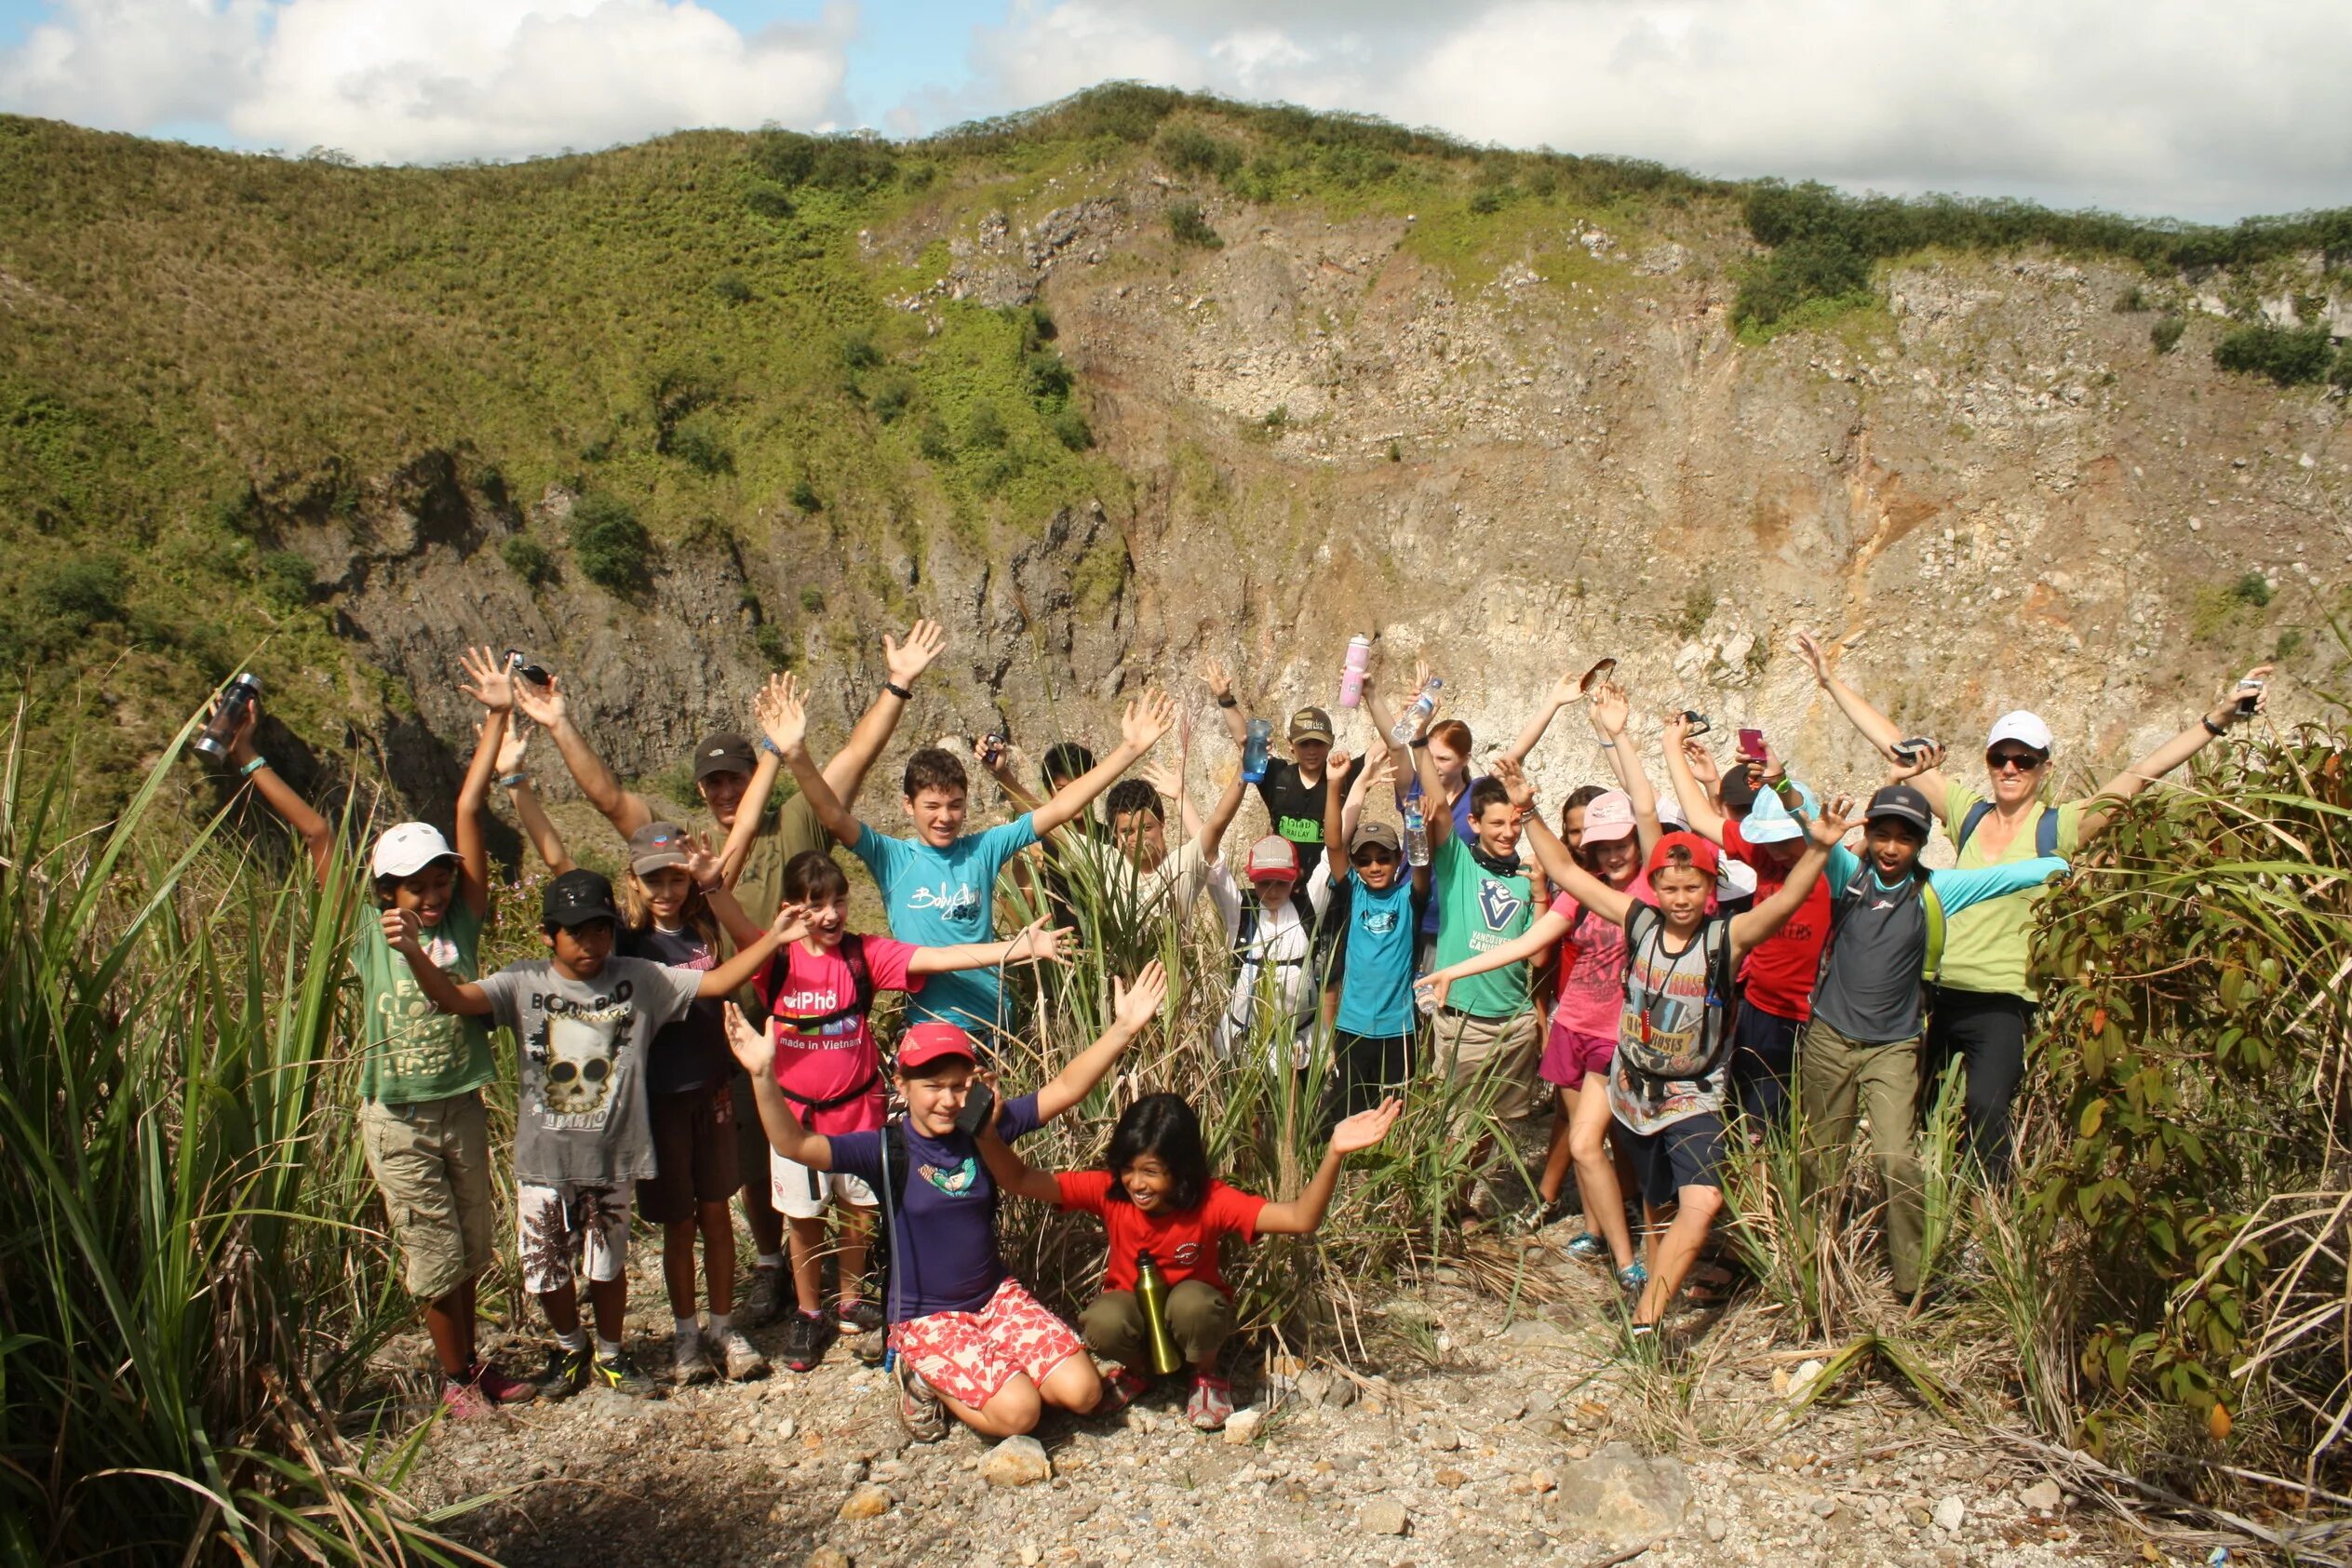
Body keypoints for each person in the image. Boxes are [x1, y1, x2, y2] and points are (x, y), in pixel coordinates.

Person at [513, 620, 949, 1324]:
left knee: (809, 1156)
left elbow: (853, 761)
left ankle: (836, 1285)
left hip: (800, 1023)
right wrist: (560, 725)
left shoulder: (796, 820)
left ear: (756, 775)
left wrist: (897, 684)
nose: (722, 790)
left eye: (735, 777)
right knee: (752, 1156)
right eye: (711, 780)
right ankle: (772, 1265)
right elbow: (607, 799)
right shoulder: (677, 846)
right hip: (722, 1029)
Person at [1794, 630, 2272, 1177]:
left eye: (2024, 759)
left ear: (2044, 767)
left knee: (1987, 1111)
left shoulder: (2059, 827)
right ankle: (1927, 1218)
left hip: (2002, 1001)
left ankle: (1987, 1225)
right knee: (1921, 1116)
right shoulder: (1967, 814)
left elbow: (2142, 774)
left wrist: (2218, 718)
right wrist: (1830, 681)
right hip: (1935, 994)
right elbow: (1896, 746)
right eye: (2001, 758)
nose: (2010, 769)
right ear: (1989, 762)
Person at [232, 647, 531, 1416]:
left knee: (469, 1243)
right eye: (415, 886)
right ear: (384, 890)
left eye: (438, 880)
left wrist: (499, 714)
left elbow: (469, 810)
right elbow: (317, 832)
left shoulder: (463, 917)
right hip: (395, 1111)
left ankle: (471, 1361)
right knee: (432, 1250)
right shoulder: (365, 932)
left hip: (459, 1099)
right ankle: (452, 1377)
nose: (432, 894)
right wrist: (245, 756)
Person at [384, 869, 799, 1399]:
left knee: (607, 1264)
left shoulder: (638, 977)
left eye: (600, 929)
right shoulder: (522, 981)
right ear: (548, 934)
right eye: (575, 931)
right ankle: (569, 1345)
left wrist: (775, 937)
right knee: (546, 1269)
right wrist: (418, 954)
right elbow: (454, 999)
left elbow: (715, 983)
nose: (590, 943)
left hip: (612, 1155)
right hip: (545, 1157)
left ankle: (609, 1352)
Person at [724, 963, 1172, 1443]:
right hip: (926, 1315)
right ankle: (919, 1376)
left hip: (995, 1297)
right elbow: (794, 1144)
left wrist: (1122, 1029)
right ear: (902, 1086)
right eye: (931, 1087)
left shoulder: (984, 1128)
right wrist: (763, 1075)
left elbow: (1063, 1089)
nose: (947, 1100)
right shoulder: (884, 1148)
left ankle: (992, 1369)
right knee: (1021, 1414)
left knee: (1085, 1393)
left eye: (958, 1085)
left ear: (974, 1082)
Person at [1512, 759, 1856, 1337]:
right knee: (1655, 1202)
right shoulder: (1639, 920)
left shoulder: (1728, 937)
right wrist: (1529, 815)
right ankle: (1648, 1292)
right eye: (1668, 887)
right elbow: (1570, 876)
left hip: (1694, 1095)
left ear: (1709, 890)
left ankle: (1647, 1319)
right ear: (1656, 887)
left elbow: (1782, 905)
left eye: (1690, 887)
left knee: (1701, 1205)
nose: (1678, 898)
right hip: (1635, 1091)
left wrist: (1819, 850)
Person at [1795, 764, 2069, 1305]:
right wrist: (1790, 795)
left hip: (1894, 1048)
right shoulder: (1846, 873)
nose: (1892, 848)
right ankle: (1812, 1266)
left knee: (1897, 1158)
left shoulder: (1937, 890)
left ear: (1922, 843)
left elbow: (2017, 875)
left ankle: (1912, 1283)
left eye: (1905, 838)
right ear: (1868, 835)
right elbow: (1809, 836)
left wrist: (2061, 863)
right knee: (1818, 1157)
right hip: (1828, 1038)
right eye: (1883, 835)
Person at [974, 1092, 1404, 1430]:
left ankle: (1206, 1375)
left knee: (1194, 1302)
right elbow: (1020, 1179)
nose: (1136, 1183)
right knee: (1102, 1319)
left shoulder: (1212, 1201)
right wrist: (986, 1133)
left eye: (1152, 1171)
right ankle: (1140, 1371)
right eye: (1129, 1169)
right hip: (1137, 1320)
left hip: (1191, 1321)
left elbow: (1300, 1218)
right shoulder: (1110, 1191)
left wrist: (1334, 1153)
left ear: (1180, 1170)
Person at [791, 679, 1176, 1042]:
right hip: (931, 1026)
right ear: (908, 806)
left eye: (955, 805)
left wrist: (1130, 749)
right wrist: (795, 754)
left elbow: (1060, 809)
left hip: (997, 1026)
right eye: (932, 806)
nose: (945, 817)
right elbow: (830, 813)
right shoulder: (891, 857)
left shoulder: (983, 848)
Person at [1420, 786, 1647, 1287]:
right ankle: (1596, 1232)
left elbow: (1536, 950)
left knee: (1601, 1141)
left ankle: (1632, 1252)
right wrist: (1451, 972)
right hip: (1568, 1025)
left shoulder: (1646, 896)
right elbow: (1532, 945)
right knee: (1570, 1134)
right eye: (1602, 844)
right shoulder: (1578, 891)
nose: (1613, 853)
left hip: (1611, 1036)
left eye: (1622, 843)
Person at [1660, 718, 1831, 1132]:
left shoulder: (1831, 870)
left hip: (1806, 1019)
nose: (1775, 848)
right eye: (1768, 838)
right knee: (1743, 1119)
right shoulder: (1767, 857)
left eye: (1785, 839)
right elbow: (1701, 819)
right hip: (1757, 1008)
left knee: (1782, 1125)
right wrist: (1670, 745)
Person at [1390, 675, 1542, 1128]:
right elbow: (1417, 771)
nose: (1506, 832)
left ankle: (1457, 1169)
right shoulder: (1448, 840)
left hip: (1493, 993)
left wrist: (1552, 700)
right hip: (1423, 931)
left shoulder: (1517, 862)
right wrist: (1413, 726)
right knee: (1414, 1027)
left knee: (1500, 1120)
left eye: (1446, 758)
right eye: (1431, 756)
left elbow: (1540, 953)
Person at [1319, 747, 1429, 1120]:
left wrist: (1415, 822)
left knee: (1394, 1117)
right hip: (1353, 1027)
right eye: (1364, 860)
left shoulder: (1408, 897)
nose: (1374, 866)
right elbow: (1334, 843)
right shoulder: (1353, 890)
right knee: (1349, 1113)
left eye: (1383, 857)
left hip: (1399, 1029)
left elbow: (1422, 863)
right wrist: (1335, 786)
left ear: (1398, 859)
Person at [1205, 657, 1334, 851]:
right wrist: (1226, 700)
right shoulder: (1278, 776)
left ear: (1330, 742)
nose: (1312, 751)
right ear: (1291, 744)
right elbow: (1246, 742)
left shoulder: (1341, 778)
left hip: (1330, 880)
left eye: (1318, 743)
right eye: (1304, 744)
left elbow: (1386, 746)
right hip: (1283, 878)